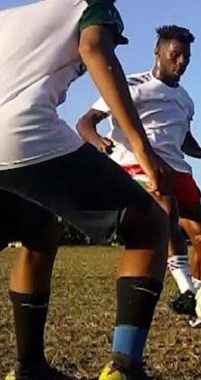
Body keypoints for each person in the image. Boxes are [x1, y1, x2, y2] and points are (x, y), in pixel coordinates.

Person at [0, 1, 174, 378]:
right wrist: (143, 151)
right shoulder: (91, 5)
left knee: (39, 228)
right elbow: (94, 47)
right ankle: (124, 369)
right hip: (19, 132)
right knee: (149, 223)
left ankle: (29, 369)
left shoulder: (11, 19)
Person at [76, 25, 201, 317]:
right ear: (158, 51)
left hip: (177, 168)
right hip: (138, 163)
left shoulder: (186, 99)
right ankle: (186, 289)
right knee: (166, 208)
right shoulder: (128, 85)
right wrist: (98, 141)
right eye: (175, 55)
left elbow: (182, 137)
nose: (181, 63)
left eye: (186, 58)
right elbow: (85, 122)